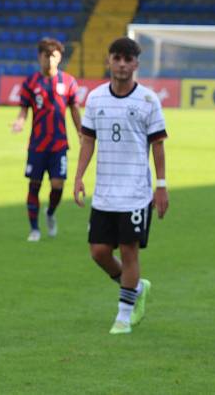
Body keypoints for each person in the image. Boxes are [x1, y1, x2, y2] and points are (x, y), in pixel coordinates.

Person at [73, 37, 168, 335]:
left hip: (136, 192)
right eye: (118, 58)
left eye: (128, 60)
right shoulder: (96, 98)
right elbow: (88, 140)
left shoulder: (149, 101)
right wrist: (78, 176)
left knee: (129, 252)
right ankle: (136, 288)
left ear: (136, 64)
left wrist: (161, 185)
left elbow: (158, 146)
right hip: (104, 193)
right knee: (98, 252)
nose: (123, 65)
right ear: (109, 61)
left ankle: (124, 315)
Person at [11, 38, 80, 242]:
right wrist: (19, 122)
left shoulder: (68, 82)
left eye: (54, 56)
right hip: (37, 145)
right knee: (34, 185)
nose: (49, 59)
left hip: (59, 144)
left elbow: (74, 110)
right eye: (46, 55)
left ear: (59, 58)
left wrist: (81, 133)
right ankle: (34, 229)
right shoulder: (30, 82)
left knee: (58, 186)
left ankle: (50, 213)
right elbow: (24, 110)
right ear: (39, 56)